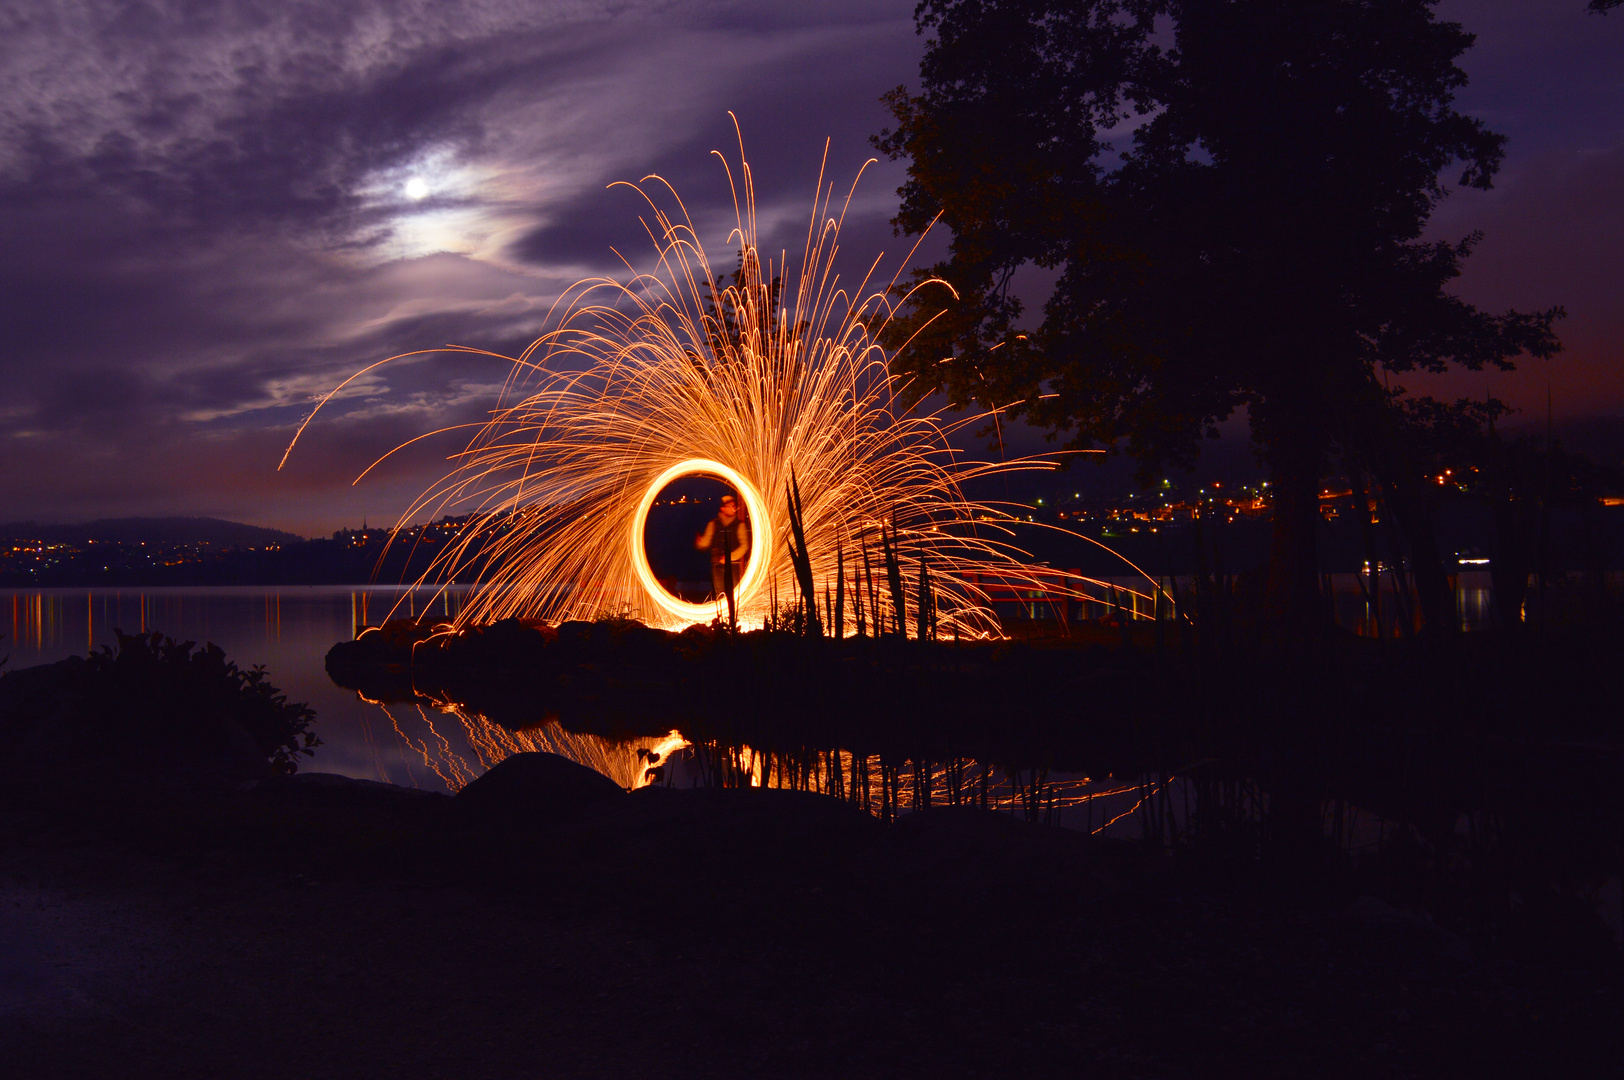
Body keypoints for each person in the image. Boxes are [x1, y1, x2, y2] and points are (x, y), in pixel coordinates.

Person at [695, 491, 750, 602]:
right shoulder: (713, 524)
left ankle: (732, 617)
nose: (733, 509)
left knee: (733, 594)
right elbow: (706, 543)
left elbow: (744, 546)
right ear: (722, 508)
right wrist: (699, 542)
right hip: (717, 566)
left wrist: (729, 557)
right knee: (720, 595)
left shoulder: (740, 525)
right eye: (730, 506)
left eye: (734, 506)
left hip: (733, 566)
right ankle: (722, 618)